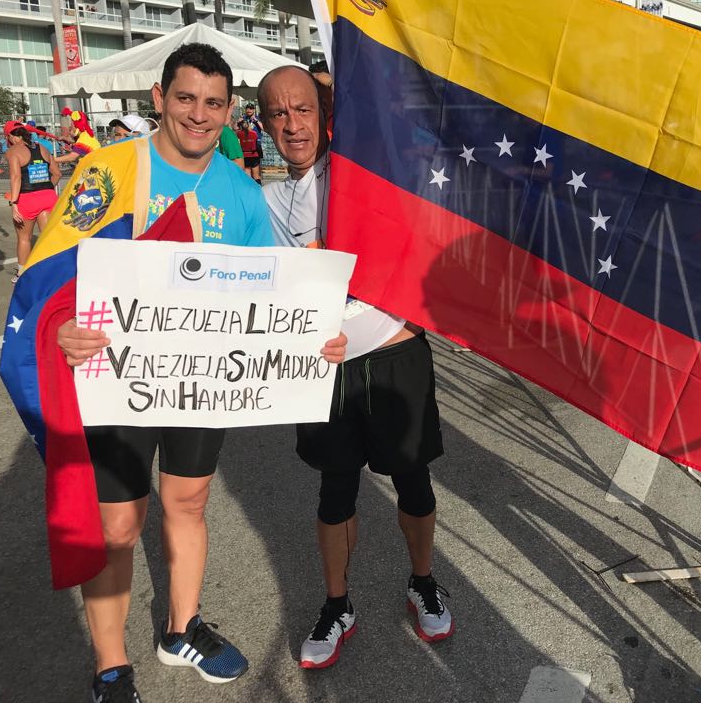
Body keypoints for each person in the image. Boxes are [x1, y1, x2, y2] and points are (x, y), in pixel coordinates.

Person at [48, 43, 349, 703]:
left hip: (200, 381)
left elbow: (272, 297)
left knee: (188, 504)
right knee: (118, 527)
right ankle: (110, 667)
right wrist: (60, 327)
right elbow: (52, 275)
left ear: (229, 110)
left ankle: (181, 629)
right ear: (159, 99)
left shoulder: (241, 194)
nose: (199, 114)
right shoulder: (110, 169)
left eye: (214, 103)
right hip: (118, 377)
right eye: (186, 98)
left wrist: (314, 339)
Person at [258, 65, 454, 670]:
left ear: (325, 113)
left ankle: (422, 581)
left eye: (304, 110)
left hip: (395, 352)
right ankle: (337, 603)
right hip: (325, 370)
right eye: (278, 114)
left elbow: (426, 235)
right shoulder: (261, 199)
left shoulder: (368, 174)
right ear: (262, 123)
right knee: (335, 488)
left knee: (412, 480)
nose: (292, 124)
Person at [4, 121, 60, 283]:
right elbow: (56, 174)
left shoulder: (13, 152)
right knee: (48, 237)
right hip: (48, 196)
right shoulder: (42, 148)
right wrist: (46, 188)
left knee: (24, 238)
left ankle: (22, 273)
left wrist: (14, 203)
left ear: (10, 136)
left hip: (26, 199)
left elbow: (16, 178)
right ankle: (55, 271)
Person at [236, 118, 261, 183]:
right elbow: (257, 145)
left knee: (248, 176)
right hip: (254, 155)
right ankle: (259, 189)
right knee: (256, 176)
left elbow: (238, 146)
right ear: (248, 126)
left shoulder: (238, 134)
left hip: (245, 156)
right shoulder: (254, 133)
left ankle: (249, 190)